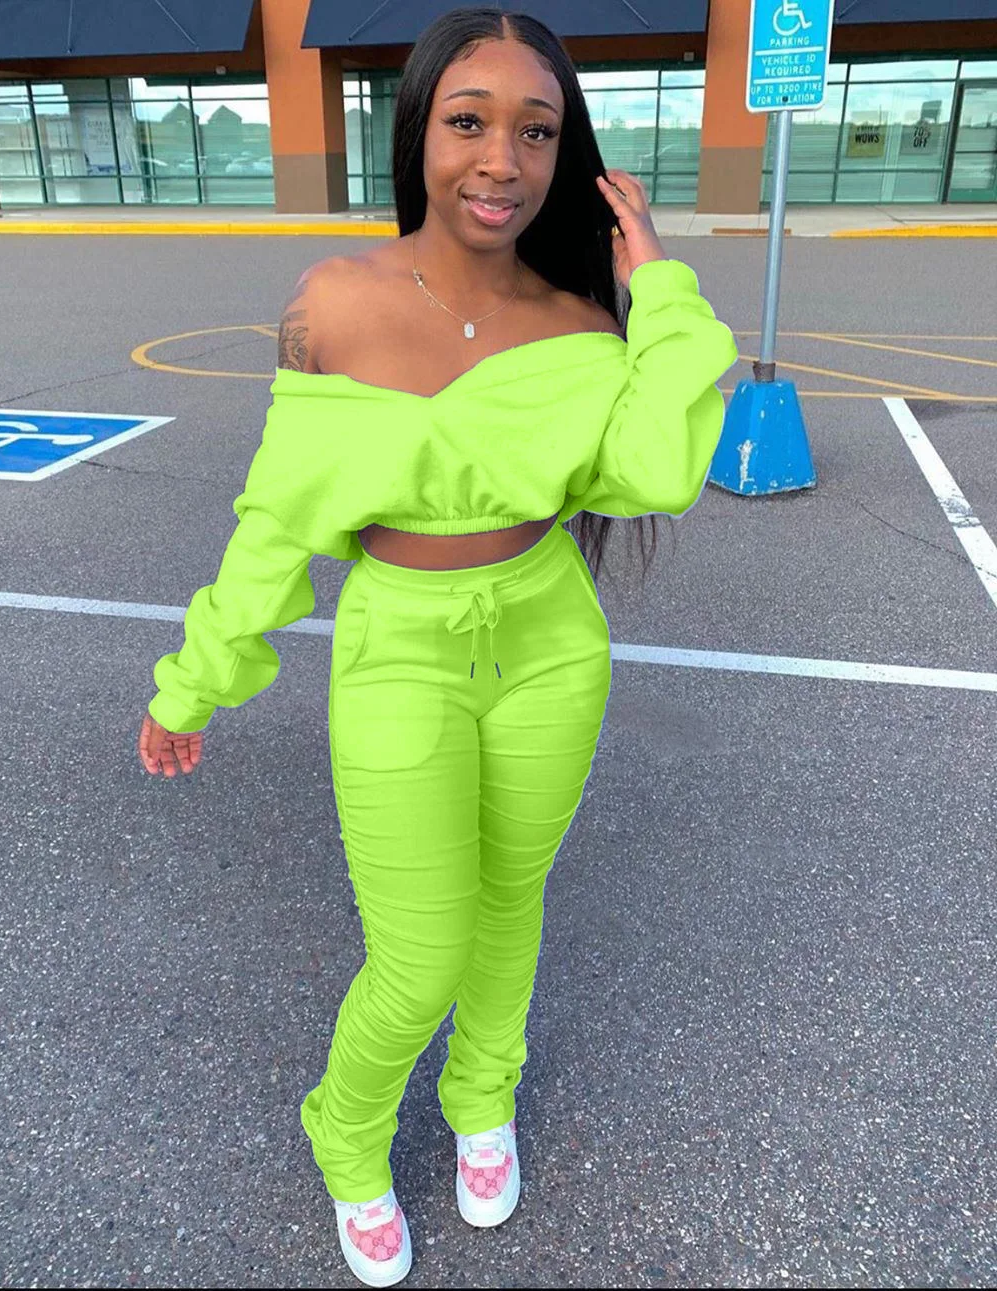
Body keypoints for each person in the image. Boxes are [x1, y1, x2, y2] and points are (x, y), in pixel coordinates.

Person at [138, 7, 737, 1286]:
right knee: (417, 955)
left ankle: (483, 1095)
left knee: (511, 902)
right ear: (418, 130)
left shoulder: (582, 327)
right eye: (470, 121)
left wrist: (659, 286)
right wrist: (197, 678)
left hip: (550, 642)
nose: (502, 160)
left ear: (568, 156)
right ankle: (347, 1136)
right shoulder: (332, 305)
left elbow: (653, 471)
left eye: (538, 131)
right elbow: (278, 519)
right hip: (398, 647)